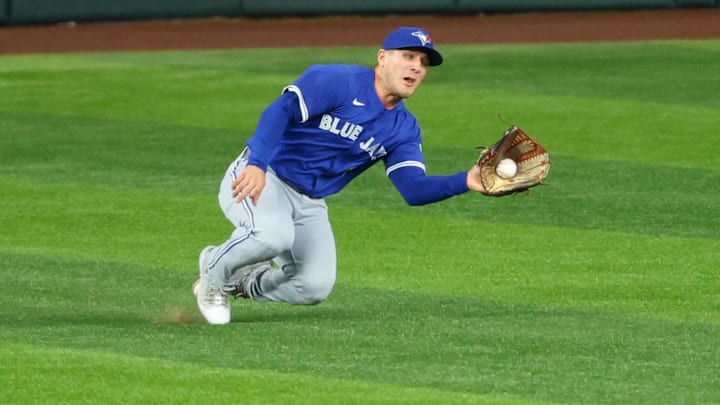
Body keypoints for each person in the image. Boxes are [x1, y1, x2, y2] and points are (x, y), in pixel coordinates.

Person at [193, 26, 488, 325]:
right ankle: (214, 274)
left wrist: (467, 181)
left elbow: (413, 189)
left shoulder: (404, 129)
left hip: (310, 201)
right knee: (274, 236)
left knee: (314, 285)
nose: (416, 66)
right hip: (264, 175)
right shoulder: (338, 81)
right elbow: (280, 111)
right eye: (409, 56)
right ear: (382, 57)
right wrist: (256, 163)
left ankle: (242, 281)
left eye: (423, 63)